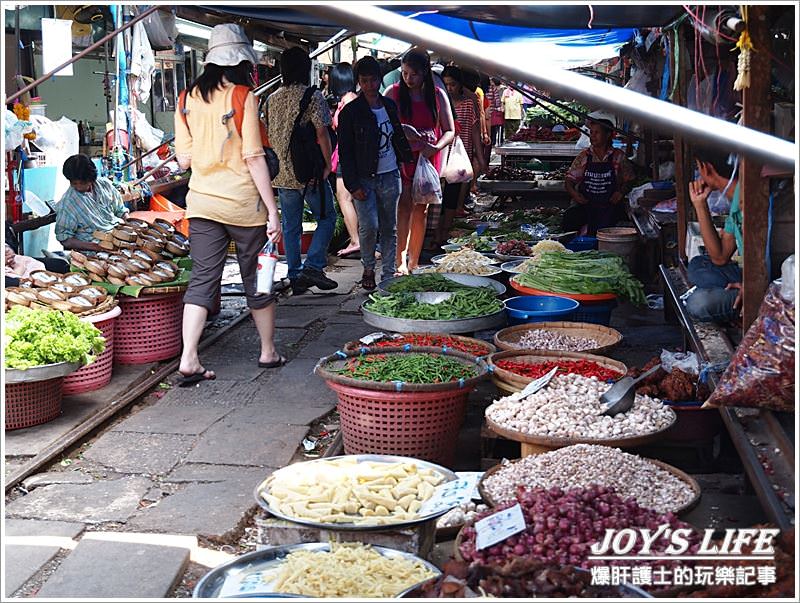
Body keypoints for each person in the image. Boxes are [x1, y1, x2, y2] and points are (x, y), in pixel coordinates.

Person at [174, 23, 283, 385]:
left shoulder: (186, 98)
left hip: (202, 203)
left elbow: (184, 160)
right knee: (257, 277)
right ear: (239, 62)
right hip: (242, 203)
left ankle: (189, 357)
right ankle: (267, 351)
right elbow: (254, 157)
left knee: (203, 279)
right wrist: (272, 210)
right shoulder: (242, 96)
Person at [337, 56, 413, 290]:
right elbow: (345, 151)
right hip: (364, 178)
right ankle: (368, 267)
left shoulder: (389, 106)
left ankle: (388, 273)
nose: (369, 85)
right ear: (359, 82)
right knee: (369, 226)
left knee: (389, 227)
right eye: (364, 81)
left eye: (372, 80)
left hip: (390, 175)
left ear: (379, 80)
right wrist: (352, 184)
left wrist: (405, 162)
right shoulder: (351, 112)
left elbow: (397, 137)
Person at [267, 46, 338, 294]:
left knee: (291, 227)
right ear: (306, 69)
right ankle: (314, 265)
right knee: (328, 218)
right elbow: (322, 132)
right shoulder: (312, 96)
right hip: (308, 173)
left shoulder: (272, 99)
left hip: (281, 173)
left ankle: (295, 275)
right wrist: (329, 164)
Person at [384, 49, 455, 274]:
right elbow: (381, 124)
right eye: (404, 73)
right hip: (402, 159)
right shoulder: (392, 93)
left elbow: (449, 130)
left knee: (421, 210)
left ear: (425, 72)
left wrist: (435, 146)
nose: (408, 79)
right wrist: (402, 129)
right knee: (403, 207)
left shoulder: (437, 95)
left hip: (427, 159)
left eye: (413, 74)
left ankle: (414, 261)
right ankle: (399, 261)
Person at [684, 147, 743, 324]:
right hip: (747, 275)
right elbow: (720, 257)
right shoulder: (736, 197)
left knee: (698, 303)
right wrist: (700, 204)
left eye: (698, 168)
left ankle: (739, 301)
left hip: (770, 283)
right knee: (697, 264)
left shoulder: (747, 199)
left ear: (707, 168)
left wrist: (751, 286)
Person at [563, 111, 635, 236]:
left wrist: (621, 192)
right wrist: (574, 194)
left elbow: (630, 180)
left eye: (597, 133)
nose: (592, 136)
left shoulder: (618, 157)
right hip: (587, 207)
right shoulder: (584, 156)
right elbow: (569, 180)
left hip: (610, 209)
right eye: (591, 133)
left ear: (608, 135)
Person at [439, 66, 484, 243]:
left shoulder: (467, 104)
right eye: (446, 84)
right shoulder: (439, 103)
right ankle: (436, 232)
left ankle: (444, 232)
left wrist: (480, 158)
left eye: (453, 84)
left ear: (460, 85)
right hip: (440, 156)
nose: (449, 88)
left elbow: (474, 132)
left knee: (452, 196)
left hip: (459, 158)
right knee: (439, 198)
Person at [54, 153, 129, 251]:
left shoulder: (105, 185)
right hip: (94, 252)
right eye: (74, 183)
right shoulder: (67, 203)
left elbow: (121, 211)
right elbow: (65, 239)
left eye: (82, 183)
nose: (78, 187)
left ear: (91, 178)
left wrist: (130, 227)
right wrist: (95, 247)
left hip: (119, 240)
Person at [328, 62, 361, 258]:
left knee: (344, 197)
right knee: (351, 198)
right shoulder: (349, 100)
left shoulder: (348, 102)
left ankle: (356, 241)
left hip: (347, 156)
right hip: (347, 155)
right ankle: (357, 239)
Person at [486, 78, 506, 146]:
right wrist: (497, 106)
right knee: (492, 129)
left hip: (483, 111)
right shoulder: (492, 88)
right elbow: (497, 100)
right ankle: (492, 142)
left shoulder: (480, 89)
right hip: (491, 111)